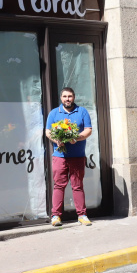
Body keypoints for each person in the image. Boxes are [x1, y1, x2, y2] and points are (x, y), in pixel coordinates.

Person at [45, 87, 93, 226]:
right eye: (65, 96)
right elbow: (48, 131)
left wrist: (76, 138)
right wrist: (56, 140)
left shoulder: (82, 111)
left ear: (74, 97)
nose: (67, 99)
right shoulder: (54, 113)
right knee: (59, 185)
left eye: (70, 96)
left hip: (77, 156)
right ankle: (56, 216)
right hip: (59, 156)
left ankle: (82, 215)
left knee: (77, 186)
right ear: (61, 98)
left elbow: (88, 130)